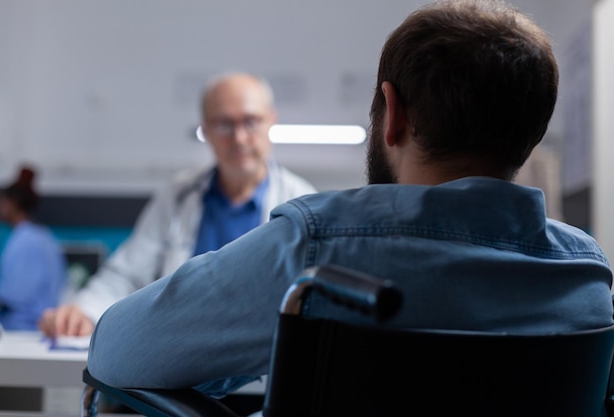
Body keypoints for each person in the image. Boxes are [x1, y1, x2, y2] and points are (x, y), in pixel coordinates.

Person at [87, 0, 613, 399]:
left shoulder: (320, 250)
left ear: (394, 114)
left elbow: (117, 352)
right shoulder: (587, 275)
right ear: (533, 129)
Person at [38, 72, 317, 338]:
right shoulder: (176, 196)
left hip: (264, 366)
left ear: (271, 121)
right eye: (224, 124)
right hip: (180, 365)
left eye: (251, 121)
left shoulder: (305, 206)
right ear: (205, 129)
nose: (239, 138)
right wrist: (84, 310)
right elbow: (126, 275)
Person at [0, 166, 68, 330]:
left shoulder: (24, 241)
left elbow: (15, 296)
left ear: (11, 204)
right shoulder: (45, 237)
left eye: (2, 202)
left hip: (23, 331)